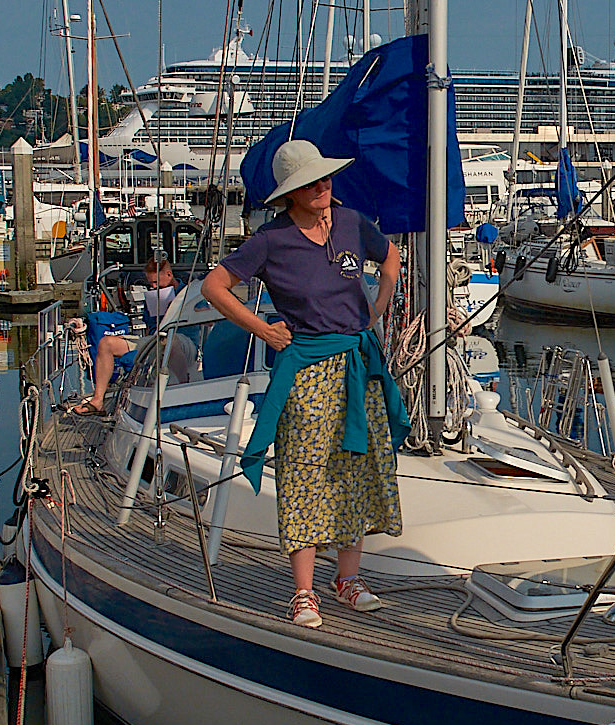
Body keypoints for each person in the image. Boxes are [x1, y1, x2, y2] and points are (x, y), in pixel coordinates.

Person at [201, 139, 410, 629]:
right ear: (290, 193)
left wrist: (376, 309)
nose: (322, 187)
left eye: (325, 177)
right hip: (309, 371)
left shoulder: (354, 223)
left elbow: (391, 257)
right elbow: (214, 286)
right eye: (310, 182)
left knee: (355, 472)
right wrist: (263, 328)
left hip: (359, 366)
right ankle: (303, 592)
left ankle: (347, 580)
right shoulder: (271, 240)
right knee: (304, 475)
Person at [70, 256, 182, 416]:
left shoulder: (188, 292)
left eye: (156, 282)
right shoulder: (154, 295)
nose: (153, 286)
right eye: (151, 283)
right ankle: (98, 401)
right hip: (155, 338)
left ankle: (181, 393)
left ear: (169, 275)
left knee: (170, 342)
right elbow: (149, 326)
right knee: (106, 343)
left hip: (182, 338)